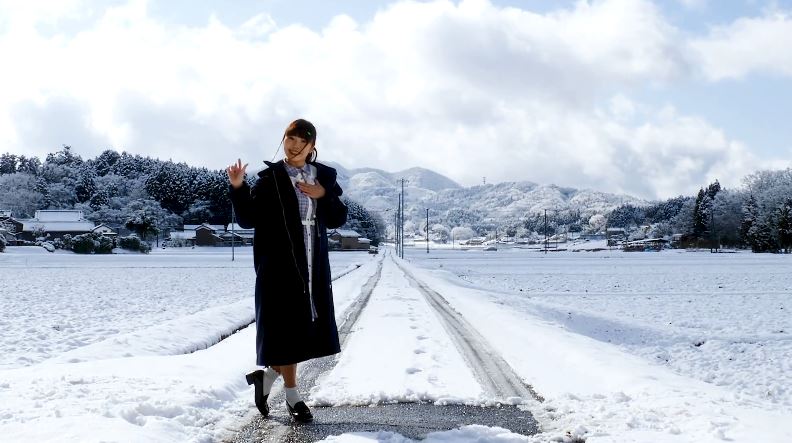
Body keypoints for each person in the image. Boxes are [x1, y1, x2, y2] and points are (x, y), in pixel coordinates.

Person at [226, 119, 348, 423]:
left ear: (312, 146)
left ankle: (266, 378)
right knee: (287, 330)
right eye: (289, 139)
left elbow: (337, 219)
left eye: (299, 141)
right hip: (280, 265)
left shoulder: (323, 178)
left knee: (301, 331)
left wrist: (324, 196)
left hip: (312, 263)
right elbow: (248, 218)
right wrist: (239, 187)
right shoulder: (272, 179)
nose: (292, 146)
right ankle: (293, 396)